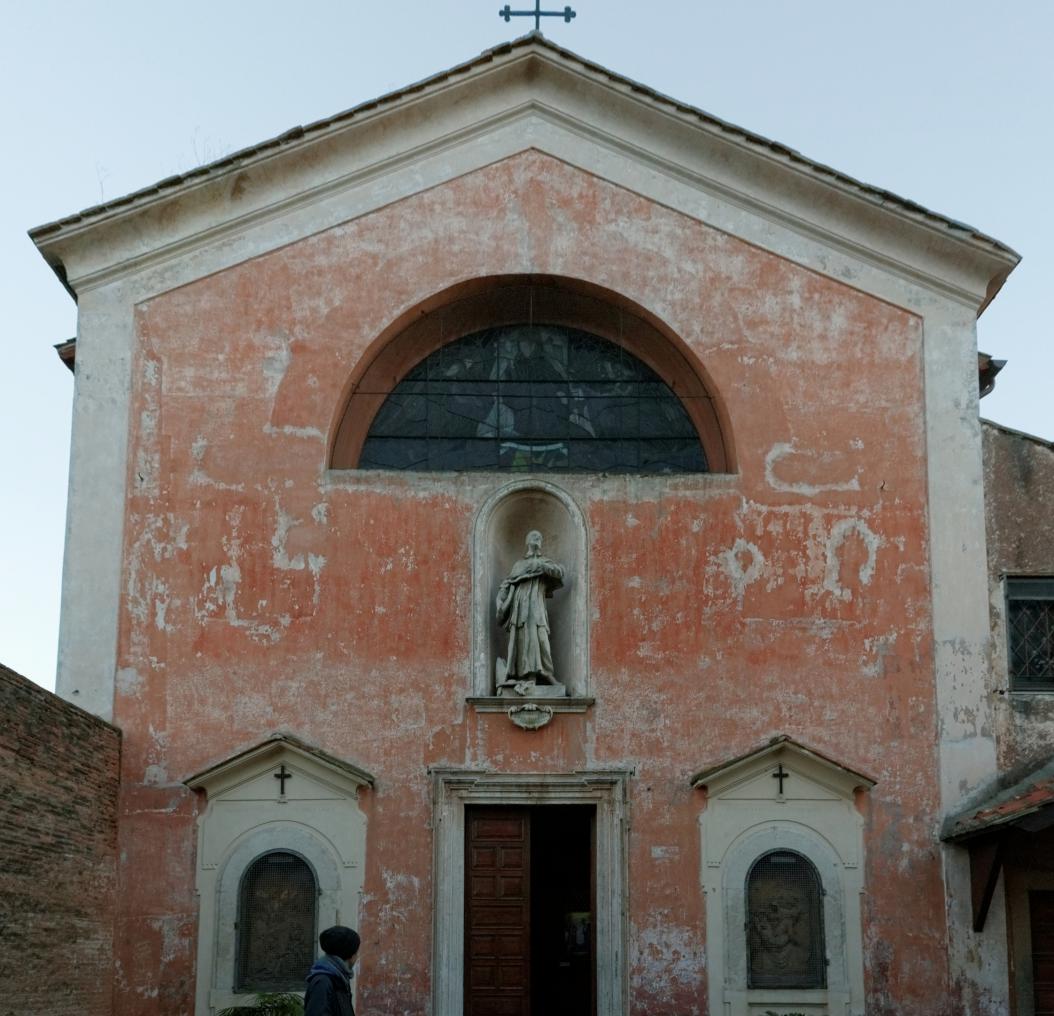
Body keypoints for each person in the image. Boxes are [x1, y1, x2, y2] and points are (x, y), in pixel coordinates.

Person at [496, 530, 565, 687]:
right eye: (534, 536)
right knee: (523, 638)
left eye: (540, 537)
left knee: (541, 638)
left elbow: (560, 572)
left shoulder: (545, 562)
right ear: (527, 541)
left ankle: (547, 674)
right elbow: (507, 584)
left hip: (537, 606)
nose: (538, 538)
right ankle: (527, 676)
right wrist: (500, 601)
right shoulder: (519, 565)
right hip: (520, 606)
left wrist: (539, 565)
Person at [305, 925, 359, 1016]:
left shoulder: (339, 979)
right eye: (356, 952)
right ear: (351, 955)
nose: (357, 956)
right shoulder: (323, 982)